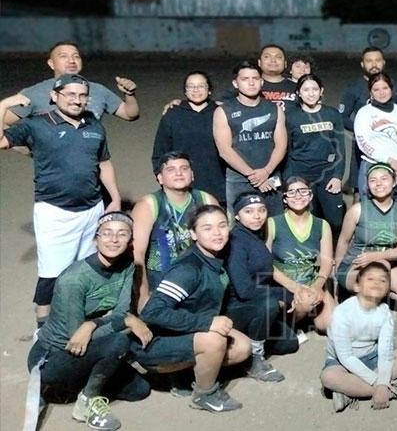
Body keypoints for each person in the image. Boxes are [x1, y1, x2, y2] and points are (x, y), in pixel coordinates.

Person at [0, 74, 121, 328]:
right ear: (54, 96)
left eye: (82, 95)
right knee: (51, 275)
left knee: (88, 269)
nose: (77, 100)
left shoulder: (94, 125)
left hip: (93, 209)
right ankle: (43, 330)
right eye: (70, 94)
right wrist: (3, 106)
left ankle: (82, 323)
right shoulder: (36, 124)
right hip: (54, 211)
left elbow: (104, 163)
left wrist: (115, 198)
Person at [26, 212, 151, 431]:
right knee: (119, 342)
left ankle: (76, 385)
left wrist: (93, 324)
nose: (114, 240)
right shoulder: (74, 279)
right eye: (107, 233)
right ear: (95, 239)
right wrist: (126, 322)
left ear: (130, 241)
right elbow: (76, 338)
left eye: (122, 234)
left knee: (139, 390)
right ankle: (86, 401)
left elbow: (122, 312)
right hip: (55, 355)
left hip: (91, 345)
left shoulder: (127, 265)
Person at [134, 205, 252, 413]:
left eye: (222, 225)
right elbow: (151, 313)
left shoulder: (214, 257)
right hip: (155, 346)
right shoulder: (188, 268)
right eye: (207, 228)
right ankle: (204, 394)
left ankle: (183, 376)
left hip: (183, 333)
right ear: (193, 234)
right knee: (214, 339)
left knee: (242, 347)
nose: (217, 233)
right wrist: (207, 323)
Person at [320, 262, 397, 412]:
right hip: (342, 361)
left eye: (382, 280)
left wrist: (382, 382)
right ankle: (395, 391)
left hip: (372, 355)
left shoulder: (385, 313)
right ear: (357, 286)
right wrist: (379, 383)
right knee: (328, 377)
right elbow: (345, 356)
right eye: (370, 279)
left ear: (387, 289)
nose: (377, 282)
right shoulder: (342, 313)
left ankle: (351, 393)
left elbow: (385, 353)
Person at [223, 193, 298, 383]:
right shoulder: (236, 242)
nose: (257, 216)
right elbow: (244, 290)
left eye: (261, 210)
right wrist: (283, 293)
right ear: (237, 215)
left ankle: (244, 349)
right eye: (248, 211)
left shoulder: (253, 236)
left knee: (290, 343)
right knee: (270, 303)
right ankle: (254, 359)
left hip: (256, 304)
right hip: (236, 308)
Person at [132, 152, 218, 308]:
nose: (179, 173)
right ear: (160, 178)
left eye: (184, 168)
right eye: (171, 169)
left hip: (198, 279)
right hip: (161, 282)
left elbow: (221, 243)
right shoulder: (148, 205)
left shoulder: (206, 200)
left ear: (192, 175)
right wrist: (143, 295)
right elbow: (137, 254)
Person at [334, 163, 397, 302]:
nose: (378, 183)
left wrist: (375, 256)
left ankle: (374, 295)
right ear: (368, 185)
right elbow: (343, 241)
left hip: (386, 263)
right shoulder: (357, 210)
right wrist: (338, 273)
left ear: (394, 182)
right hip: (356, 263)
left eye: (384, 179)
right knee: (380, 268)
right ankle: (364, 297)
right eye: (373, 180)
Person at [1, 41, 139, 127]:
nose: (71, 61)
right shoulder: (34, 93)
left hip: (93, 163)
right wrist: (27, 148)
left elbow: (130, 114)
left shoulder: (98, 90)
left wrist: (129, 94)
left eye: (76, 56)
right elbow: (3, 122)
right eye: (63, 56)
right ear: (51, 64)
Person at [213, 60, 287, 215]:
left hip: (270, 177)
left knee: (274, 222)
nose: (251, 83)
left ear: (262, 82)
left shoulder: (275, 109)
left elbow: (281, 145)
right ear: (235, 83)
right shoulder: (223, 111)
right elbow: (224, 150)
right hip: (240, 179)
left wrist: (266, 171)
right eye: (245, 79)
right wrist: (252, 175)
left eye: (255, 78)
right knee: (239, 224)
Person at [266, 177, 338, 333]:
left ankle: (305, 314)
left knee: (332, 325)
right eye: (291, 192)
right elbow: (266, 263)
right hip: (284, 285)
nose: (298, 196)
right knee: (305, 300)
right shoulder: (273, 223)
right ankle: (288, 325)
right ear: (284, 199)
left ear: (310, 195)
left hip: (312, 282)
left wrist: (318, 286)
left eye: (303, 191)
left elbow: (326, 261)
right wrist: (295, 287)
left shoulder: (322, 225)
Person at [283, 74, 346, 235]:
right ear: (298, 93)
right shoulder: (290, 117)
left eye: (314, 89)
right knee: (307, 222)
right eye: (305, 90)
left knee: (335, 222)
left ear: (321, 91)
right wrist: (290, 181)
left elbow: (340, 148)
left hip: (328, 176)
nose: (311, 93)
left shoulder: (332, 114)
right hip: (301, 175)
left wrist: (337, 176)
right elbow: (286, 151)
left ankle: (332, 249)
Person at [152, 71, 226, 203]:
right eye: (191, 86)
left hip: (218, 184)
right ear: (185, 91)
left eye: (201, 86)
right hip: (182, 186)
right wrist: (161, 177)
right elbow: (160, 151)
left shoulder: (221, 112)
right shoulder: (173, 114)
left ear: (209, 90)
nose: (196, 90)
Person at [339, 47, 397, 197]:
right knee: (359, 192)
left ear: (384, 62)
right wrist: (362, 131)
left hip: (393, 149)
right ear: (362, 64)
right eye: (369, 61)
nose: (374, 64)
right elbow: (342, 117)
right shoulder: (353, 88)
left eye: (377, 60)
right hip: (363, 150)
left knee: (394, 191)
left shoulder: (395, 87)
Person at [353, 73, 397, 199]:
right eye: (376, 89)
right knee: (370, 208)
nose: (381, 93)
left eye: (385, 88)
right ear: (370, 92)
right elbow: (363, 143)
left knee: (394, 207)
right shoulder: (364, 113)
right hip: (372, 165)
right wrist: (389, 160)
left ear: (391, 89)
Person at [257, 44, 298, 110]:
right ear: (259, 62)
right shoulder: (249, 87)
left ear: (285, 64)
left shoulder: (298, 88)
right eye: (267, 57)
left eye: (278, 57)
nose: (273, 60)